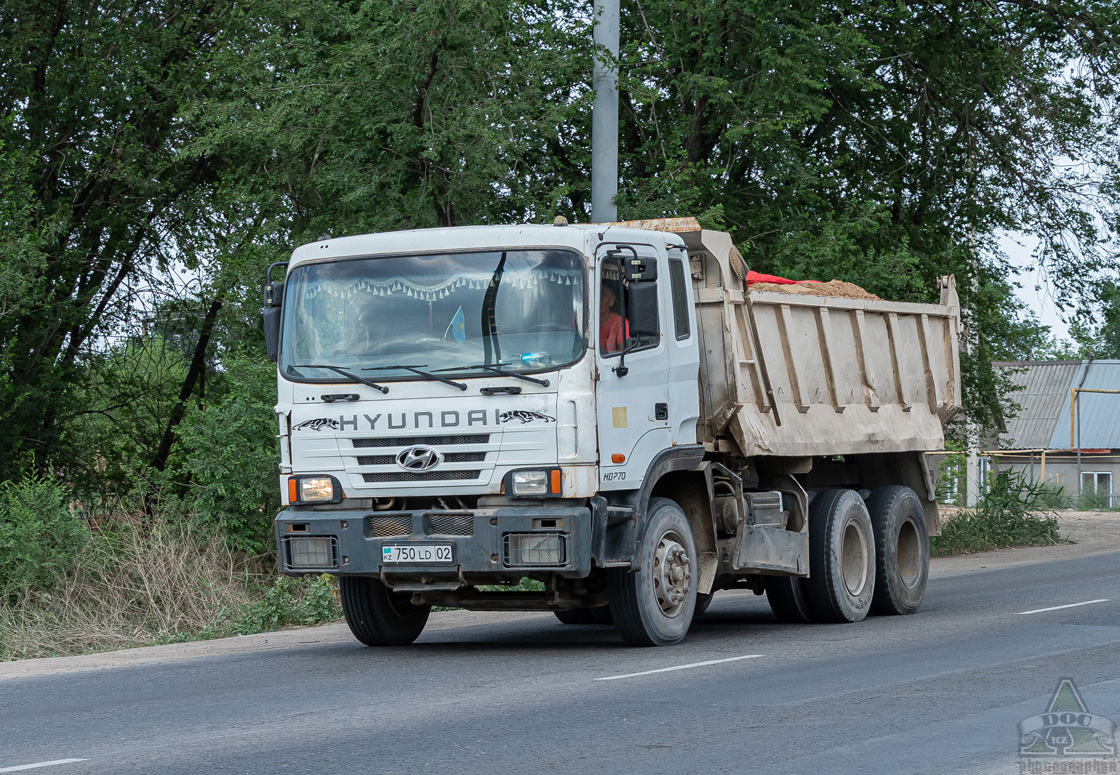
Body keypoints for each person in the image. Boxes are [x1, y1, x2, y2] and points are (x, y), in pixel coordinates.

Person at [599, 282, 625, 352]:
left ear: (612, 300)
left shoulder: (621, 323)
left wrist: (603, 354)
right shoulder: (581, 320)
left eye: (602, 296)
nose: (597, 300)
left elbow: (624, 353)